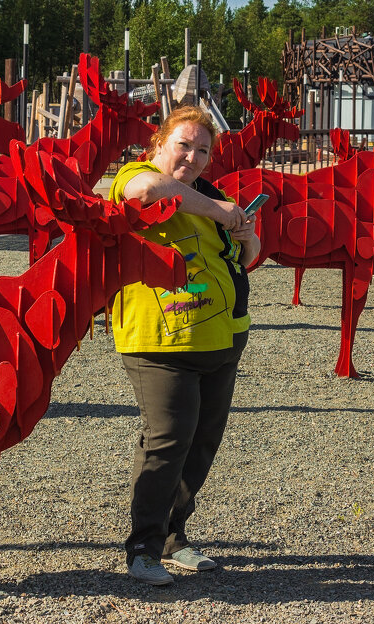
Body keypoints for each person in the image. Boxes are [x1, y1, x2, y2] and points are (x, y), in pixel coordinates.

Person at [108, 105, 261, 586]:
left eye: (203, 150)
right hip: (160, 344)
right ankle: (142, 549)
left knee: (200, 444)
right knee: (168, 439)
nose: (192, 157)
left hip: (222, 339)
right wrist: (220, 210)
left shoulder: (207, 197)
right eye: (183, 145)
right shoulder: (136, 174)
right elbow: (148, 192)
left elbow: (249, 256)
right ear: (158, 144)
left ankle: (174, 538)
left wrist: (244, 231)